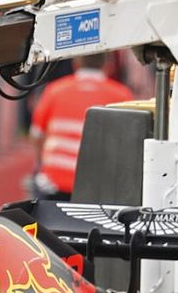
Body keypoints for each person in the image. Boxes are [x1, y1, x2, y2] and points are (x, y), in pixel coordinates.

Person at [28, 53, 133, 200]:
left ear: (76, 63)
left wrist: (42, 167)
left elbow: (37, 135)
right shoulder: (122, 95)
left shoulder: (55, 90)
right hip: (98, 185)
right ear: (108, 65)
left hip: (55, 182)